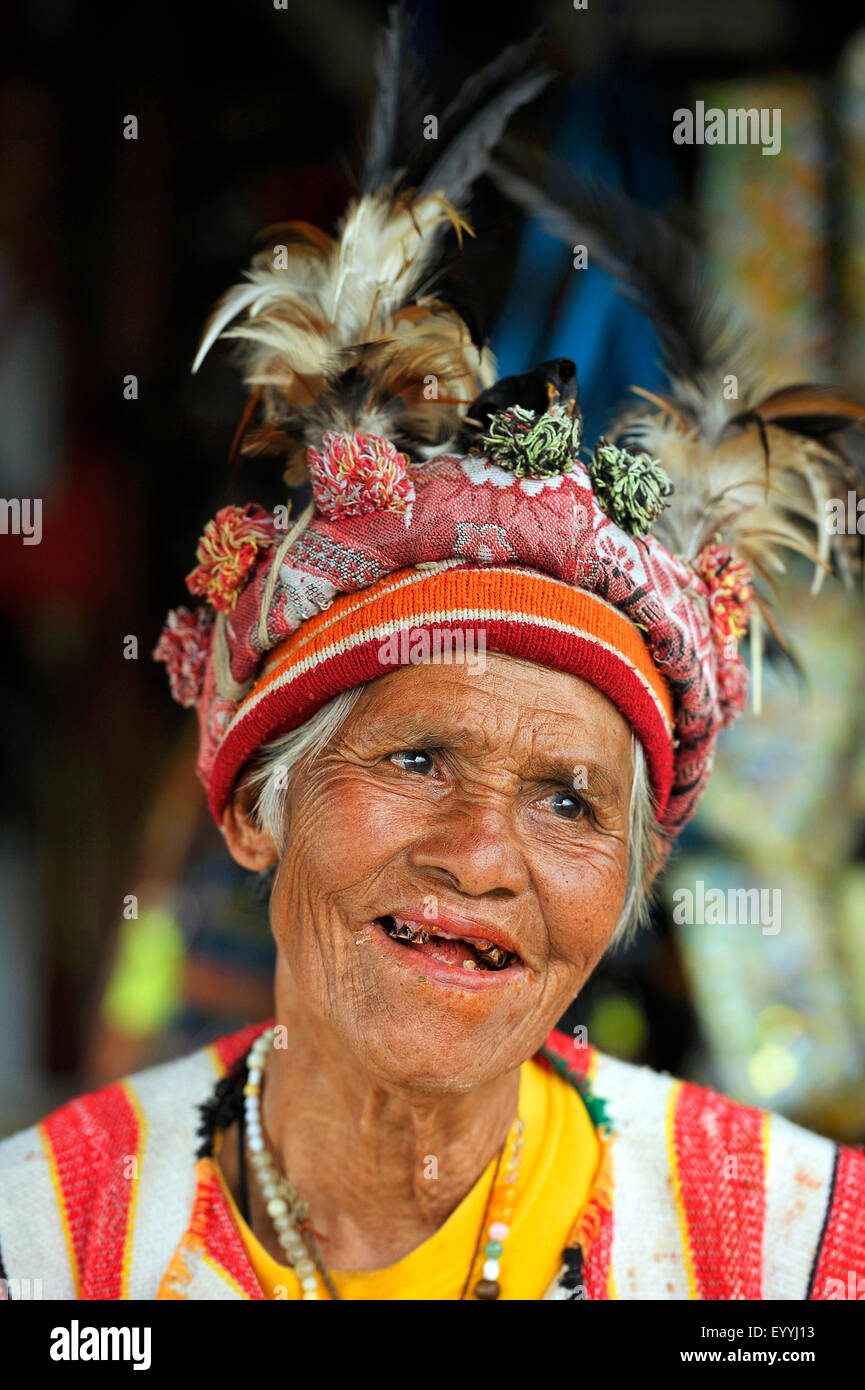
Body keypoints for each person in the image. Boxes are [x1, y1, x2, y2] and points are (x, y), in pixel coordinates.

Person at [1, 14, 864, 1302]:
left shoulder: (795, 1254)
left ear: (628, 885)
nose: (480, 856)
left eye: (570, 801)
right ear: (250, 806)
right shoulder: (44, 1250)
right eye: (417, 756)